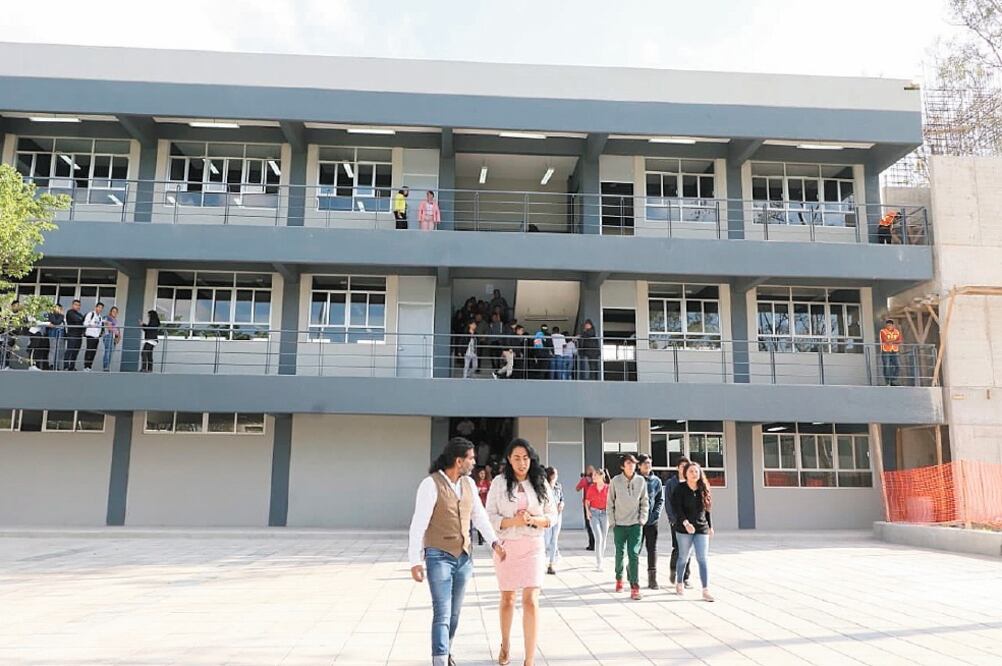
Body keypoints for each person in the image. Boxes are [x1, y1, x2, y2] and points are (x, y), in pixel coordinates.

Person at [408, 438, 506, 666]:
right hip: (438, 555)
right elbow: (418, 524)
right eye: (471, 458)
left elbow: (479, 516)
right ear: (458, 460)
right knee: (442, 612)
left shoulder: (469, 484)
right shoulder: (430, 485)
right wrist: (415, 560)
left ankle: (446, 650)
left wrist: (494, 542)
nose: (474, 462)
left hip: (464, 557)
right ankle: (440, 660)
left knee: (454, 614)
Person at [485, 439, 556, 666]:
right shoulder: (498, 483)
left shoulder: (540, 482)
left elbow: (551, 515)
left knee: (531, 601)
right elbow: (490, 517)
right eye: (517, 458)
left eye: (525, 458)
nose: (522, 462)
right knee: (507, 599)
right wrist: (513, 521)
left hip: (533, 545)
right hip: (507, 547)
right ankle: (505, 644)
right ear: (509, 459)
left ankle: (529, 658)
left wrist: (534, 520)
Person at [671, 461, 715, 602]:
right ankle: (679, 582)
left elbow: (707, 510)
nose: (694, 474)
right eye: (691, 471)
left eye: (696, 471)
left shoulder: (704, 488)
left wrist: (710, 526)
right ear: (686, 473)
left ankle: (705, 590)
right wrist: (686, 523)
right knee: (683, 557)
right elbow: (677, 508)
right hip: (684, 529)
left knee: (703, 558)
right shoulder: (680, 488)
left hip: (701, 528)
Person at [608, 453, 649, 600]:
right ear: (622, 466)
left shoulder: (641, 481)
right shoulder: (615, 481)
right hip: (619, 524)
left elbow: (645, 502)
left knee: (634, 554)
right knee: (620, 553)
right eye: (628, 463)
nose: (631, 466)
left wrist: (642, 519)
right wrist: (612, 521)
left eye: (633, 463)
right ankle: (619, 578)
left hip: (635, 524)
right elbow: (610, 503)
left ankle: (635, 587)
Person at [637, 454, 665, 590]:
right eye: (645, 463)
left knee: (652, 548)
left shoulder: (656, 481)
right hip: (637, 521)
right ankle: (632, 573)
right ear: (639, 465)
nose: (647, 465)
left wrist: (656, 514)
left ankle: (652, 579)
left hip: (652, 520)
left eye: (649, 463)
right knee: (635, 548)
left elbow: (660, 499)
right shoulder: (635, 480)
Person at [665, 457, 692, 588]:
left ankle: (686, 577)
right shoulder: (671, 483)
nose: (684, 469)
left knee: (688, 549)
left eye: (686, 466)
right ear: (677, 468)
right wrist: (672, 519)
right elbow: (668, 502)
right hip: (676, 521)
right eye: (682, 466)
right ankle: (673, 571)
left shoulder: (691, 482)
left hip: (690, 521)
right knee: (677, 548)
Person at [585, 467, 610, 571]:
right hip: (594, 513)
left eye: (595, 475)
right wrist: (588, 511)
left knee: (604, 538)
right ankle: (599, 562)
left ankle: (601, 558)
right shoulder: (591, 487)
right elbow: (587, 502)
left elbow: (612, 501)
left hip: (605, 513)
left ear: (601, 476)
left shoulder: (608, 488)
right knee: (598, 537)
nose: (593, 477)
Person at [543, 466, 564, 575]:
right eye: (555, 474)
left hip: (558, 515)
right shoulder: (544, 487)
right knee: (546, 540)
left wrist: (561, 504)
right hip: (548, 516)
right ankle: (541, 560)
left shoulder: (558, 486)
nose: (556, 477)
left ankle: (551, 564)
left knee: (554, 539)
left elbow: (562, 498)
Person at [575, 465, 596, 550]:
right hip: (596, 505)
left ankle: (592, 544)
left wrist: (583, 479)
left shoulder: (585, 480)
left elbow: (577, 488)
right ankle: (598, 543)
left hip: (587, 505)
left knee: (589, 525)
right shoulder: (596, 479)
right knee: (596, 525)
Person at [82, 302, 105, 371]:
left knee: (93, 352)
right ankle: (86, 366)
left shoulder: (100, 317)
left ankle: (89, 367)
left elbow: (101, 327)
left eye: (101, 308)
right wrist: (93, 326)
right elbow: (85, 323)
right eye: (99, 307)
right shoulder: (91, 314)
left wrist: (100, 334)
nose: (100, 309)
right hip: (90, 336)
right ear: (96, 307)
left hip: (96, 337)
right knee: (89, 351)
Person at [63, 299, 85, 371]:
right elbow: (78, 320)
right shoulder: (70, 312)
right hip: (72, 335)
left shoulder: (80, 314)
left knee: (75, 352)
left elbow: (83, 323)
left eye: (79, 305)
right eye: (76, 305)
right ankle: (66, 366)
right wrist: (82, 320)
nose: (77, 306)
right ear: (72, 305)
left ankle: (72, 367)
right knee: (70, 350)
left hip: (79, 336)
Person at [879, 318, 902, 386]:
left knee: (898, 366)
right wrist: (894, 341)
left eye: (891, 325)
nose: (889, 326)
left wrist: (891, 341)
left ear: (893, 325)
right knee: (887, 366)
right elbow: (885, 340)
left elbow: (900, 341)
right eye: (888, 325)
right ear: (886, 325)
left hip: (894, 351)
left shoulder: (897, 331)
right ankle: (888, 382)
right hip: (886, 351)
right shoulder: (883, 331)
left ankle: (893, 380)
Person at [473, 466, 492, 546]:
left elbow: (491, 492)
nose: (482, 475)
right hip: (478, 504)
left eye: (483, 473)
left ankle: (485, 536)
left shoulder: (487, 483)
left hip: (486, 504)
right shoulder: (475, 483)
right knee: (479, 520)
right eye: (481, 473)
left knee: (486, 520)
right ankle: (480, 538)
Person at [47, 304, 65, 371]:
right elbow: (56, 322)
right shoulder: (51, 314)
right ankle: (51, 365)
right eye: (59, 308)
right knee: (53, 350)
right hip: (53, 335)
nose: (60, 310)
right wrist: (62, 315)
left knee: (59, 351)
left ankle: (57, 365)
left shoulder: (61, 316)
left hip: (61, 336)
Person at [102, 306, 121, 371]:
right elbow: (109, 327)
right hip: (108, 336)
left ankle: (107, 367)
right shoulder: (107, 317)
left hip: (113, 338)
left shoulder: (115, 320)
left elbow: (118, 329)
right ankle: (105, 367)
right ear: (110, 312)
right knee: (107, 352)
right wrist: (117, 333)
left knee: (110, 353)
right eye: (113, 311)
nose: (115, 313)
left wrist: (118, 337)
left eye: (116, 312)